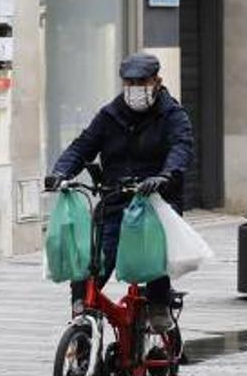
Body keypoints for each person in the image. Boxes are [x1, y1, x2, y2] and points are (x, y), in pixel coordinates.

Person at [45, 52, 194, 329]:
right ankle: (82, 310)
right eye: (129, 82)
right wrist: (60, 172)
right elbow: (82, 146)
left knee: (154, 255)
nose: (136, 88)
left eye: (142, 82)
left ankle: (159, 305)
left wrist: (164, 176)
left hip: (156, 201)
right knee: (93, 259)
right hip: (115, 199)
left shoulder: (172, 115)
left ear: (157, 81)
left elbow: (181, 148)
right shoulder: (109, 115)